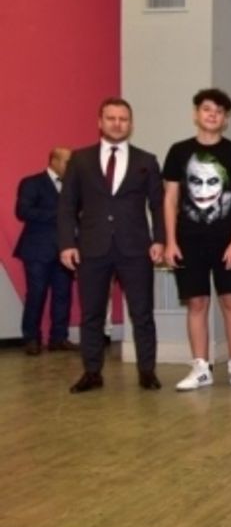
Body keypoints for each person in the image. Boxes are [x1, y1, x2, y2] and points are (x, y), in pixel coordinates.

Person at [58, 98, 165, 393]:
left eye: (123, 119)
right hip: (92, 247)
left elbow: (158, 205)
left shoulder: (146, 161)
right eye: (111, 118)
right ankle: (92, 372)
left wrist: (160, 239)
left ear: (131, 124)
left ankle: (147, 371)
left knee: (142, 313)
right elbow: (66, 206)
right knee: (91, 314)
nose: (117, 124)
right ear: (100, 122)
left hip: (136, 248)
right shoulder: (80, 160)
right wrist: (67, 243)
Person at [162, 89, 231, 391]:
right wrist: (170, 241)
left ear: (225, 119)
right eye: (206, 109)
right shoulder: (178, 151)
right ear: (196, 114)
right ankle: (201, 368)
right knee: (197, 303)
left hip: (227, 242)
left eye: (219, 111)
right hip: (188, 241)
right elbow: (170, 199)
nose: (212, 115)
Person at [14, 147, 75, 355]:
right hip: (37, 250)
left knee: (63, 295)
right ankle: (31, 339)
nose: (71, 166)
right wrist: (59, 214)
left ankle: (59, 338)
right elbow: (22, 211)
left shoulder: (73, 186)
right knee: (36, 294)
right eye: (67, 162)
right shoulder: (32, 183)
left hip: (65, 249)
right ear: (54, 161)